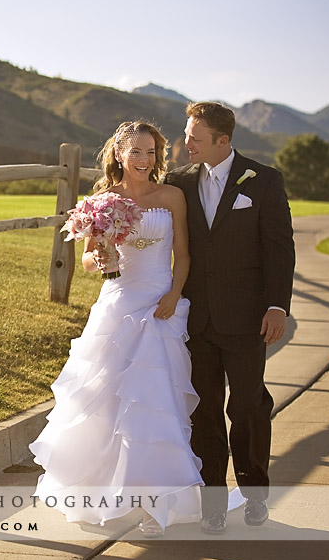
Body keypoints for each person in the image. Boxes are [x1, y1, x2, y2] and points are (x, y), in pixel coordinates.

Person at [29, 121, 201, 538]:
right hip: (119, 302)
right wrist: (102, 261)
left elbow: (184, 254)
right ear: (120, 154)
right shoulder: (103, 200)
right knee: (106, 402)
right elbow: (89, 259)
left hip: (160, 303)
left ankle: (154, 503)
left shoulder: (173, 196)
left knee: (155, 402)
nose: (145, 160)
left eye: (152, 152)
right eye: (137, 152)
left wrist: (174, 294)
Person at [165, 102, 295, 534]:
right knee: (203, 414)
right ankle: (213, 505)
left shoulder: (264, 180)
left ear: (224, 141)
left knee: (248, 407)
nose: (186, 144)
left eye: (196, 138)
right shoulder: (178, 182)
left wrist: (277, 305)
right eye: (187, 135)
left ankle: (256, 494)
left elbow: (279, 249)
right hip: (195, 320)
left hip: (247, 320)